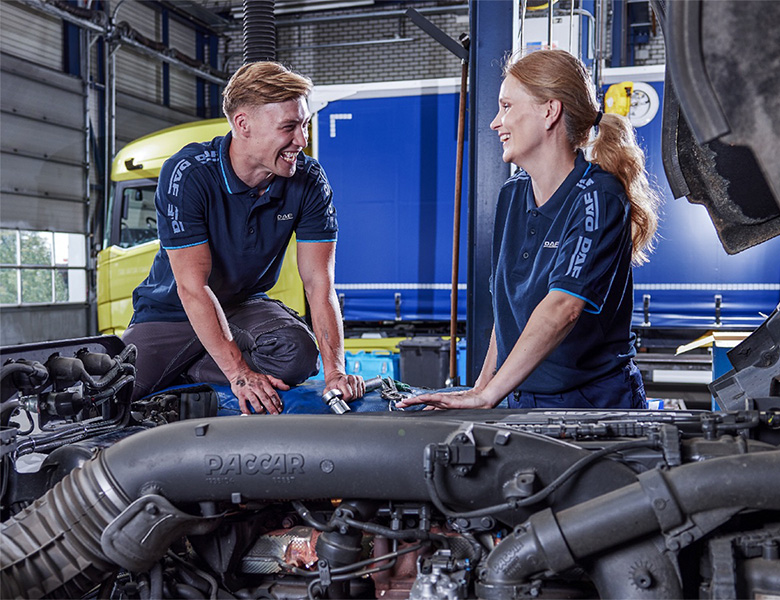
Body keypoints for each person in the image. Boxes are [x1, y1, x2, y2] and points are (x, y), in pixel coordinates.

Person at [398, 49, 659, 411]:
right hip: (519, 397)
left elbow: (563, 308)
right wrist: (483, 389)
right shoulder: (512, 194)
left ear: (549, 111)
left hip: (591, 403)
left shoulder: (599, 198)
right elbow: (507, 315)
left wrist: (488, 394)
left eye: (506, 106)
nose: (495, 122)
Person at [123, 61, 364, 414]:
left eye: (305, 125)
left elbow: (319, 284)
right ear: (243, 124)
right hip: (173, 310)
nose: (302, 140)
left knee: (297, 355)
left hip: (242, 305)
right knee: (122, 389)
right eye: (289, 127)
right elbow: (193, 287)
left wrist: (335, 373)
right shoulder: (189, 174)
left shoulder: (308, 180)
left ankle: (195, 364)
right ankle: (204, 362)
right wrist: (238, 373)